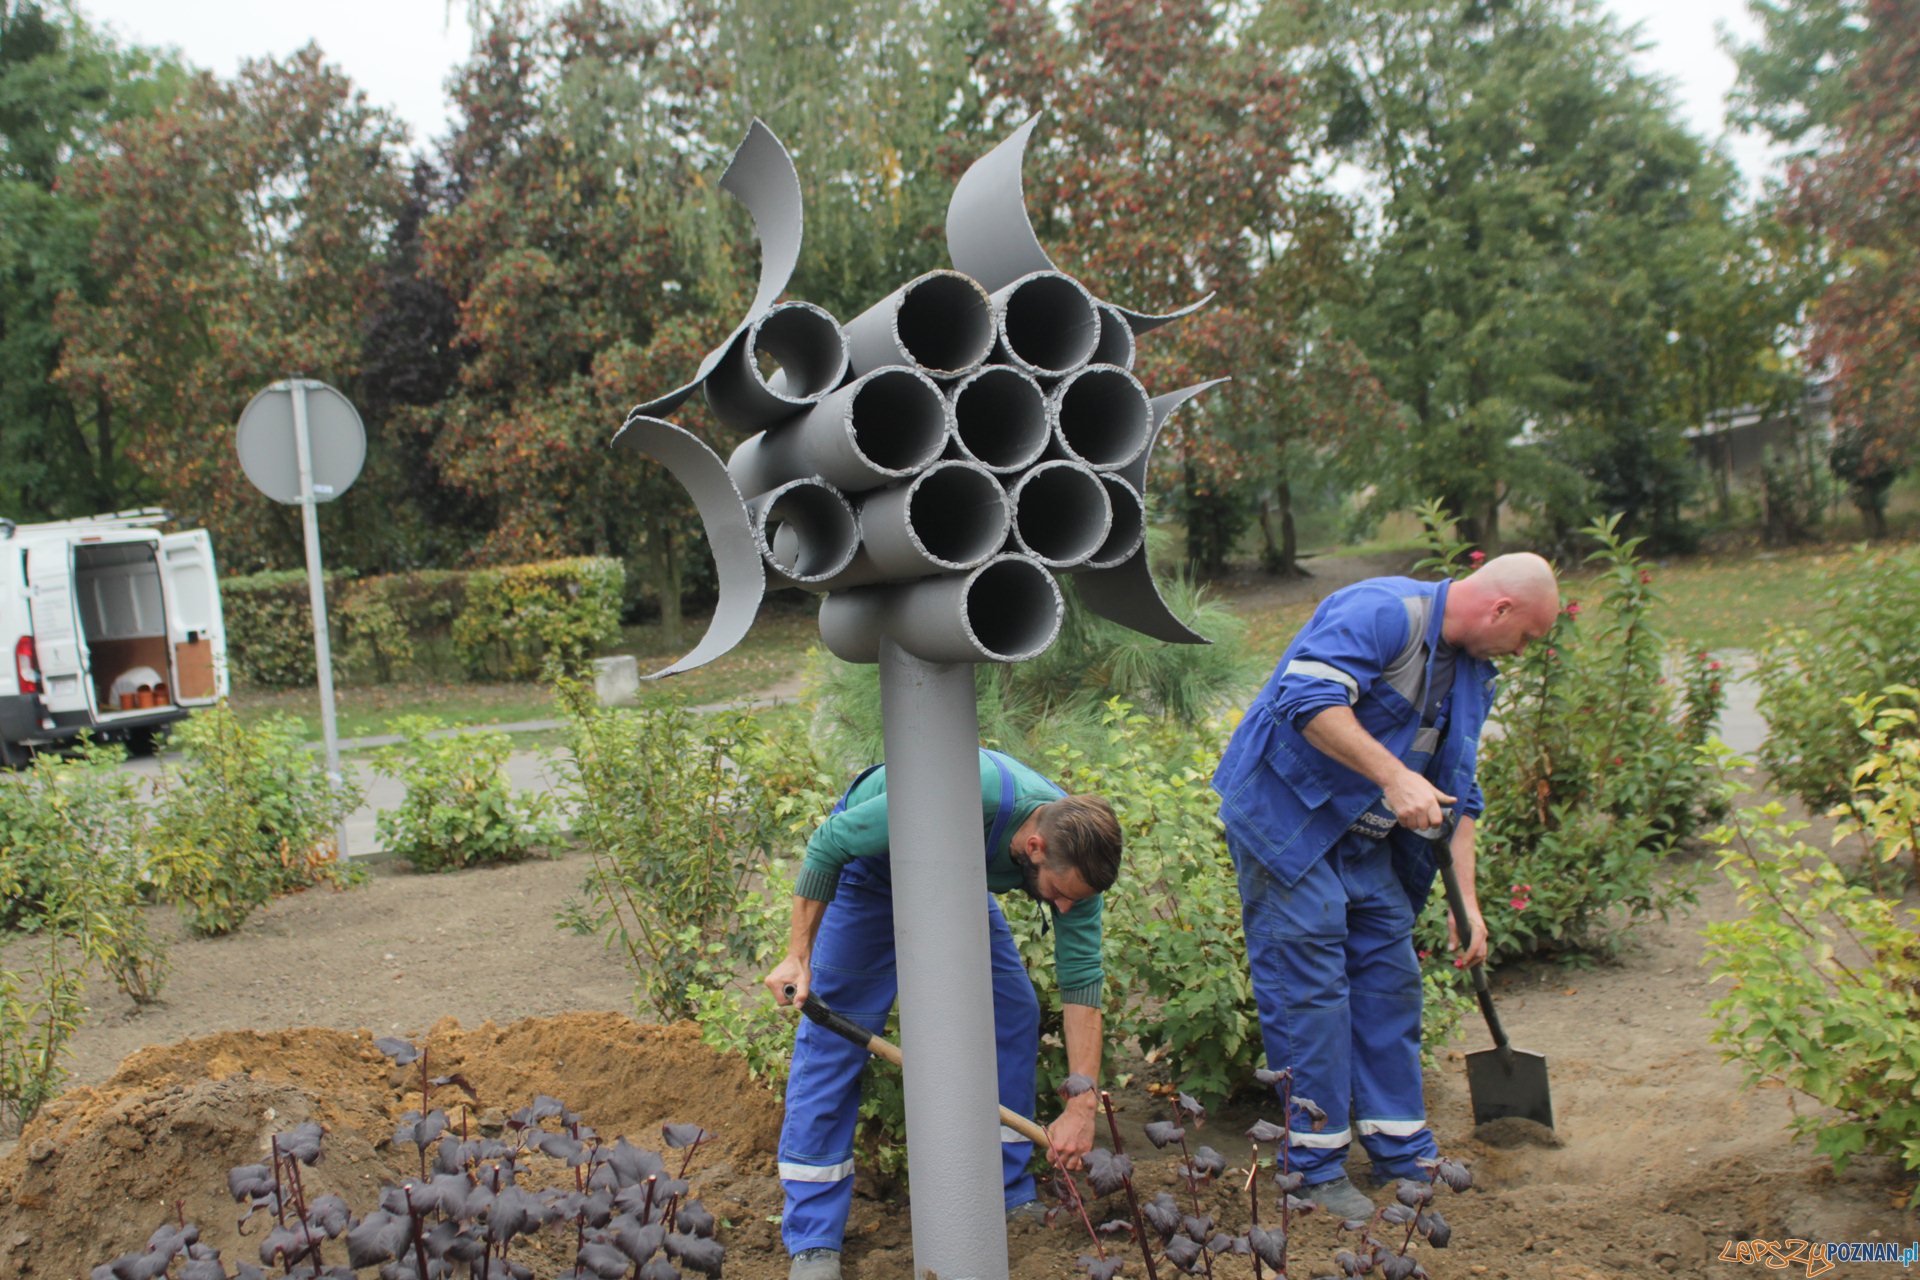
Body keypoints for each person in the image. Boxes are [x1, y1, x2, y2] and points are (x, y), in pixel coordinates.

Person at [1212, 553, 1559, 1219]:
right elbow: (1308, 700)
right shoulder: (1380, 611)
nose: (1522, 651)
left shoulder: (1474, 674)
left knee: (1390, 977)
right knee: (1310, 990)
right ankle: (1312, 1173)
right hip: (1288, 821)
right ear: (1501, 610)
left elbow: (1460, 790)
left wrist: (1470, 904)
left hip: (1362, 835)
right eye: (1526, 636)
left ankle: (1402, 1152)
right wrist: (1395, 777)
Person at [764, 747, 1122, 1280]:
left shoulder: (1077, 862)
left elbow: (1081, 982)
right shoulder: (957, 790)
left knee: (1013, 1011)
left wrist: (1083, 1101)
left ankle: (1004, 1192)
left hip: (951, 876)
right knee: (836, 1037)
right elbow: (830, 841)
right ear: (1033, 846)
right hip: (872, 869)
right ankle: (814, 1241)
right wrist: (797, 955)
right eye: (1058, 895)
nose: (1064, 908)